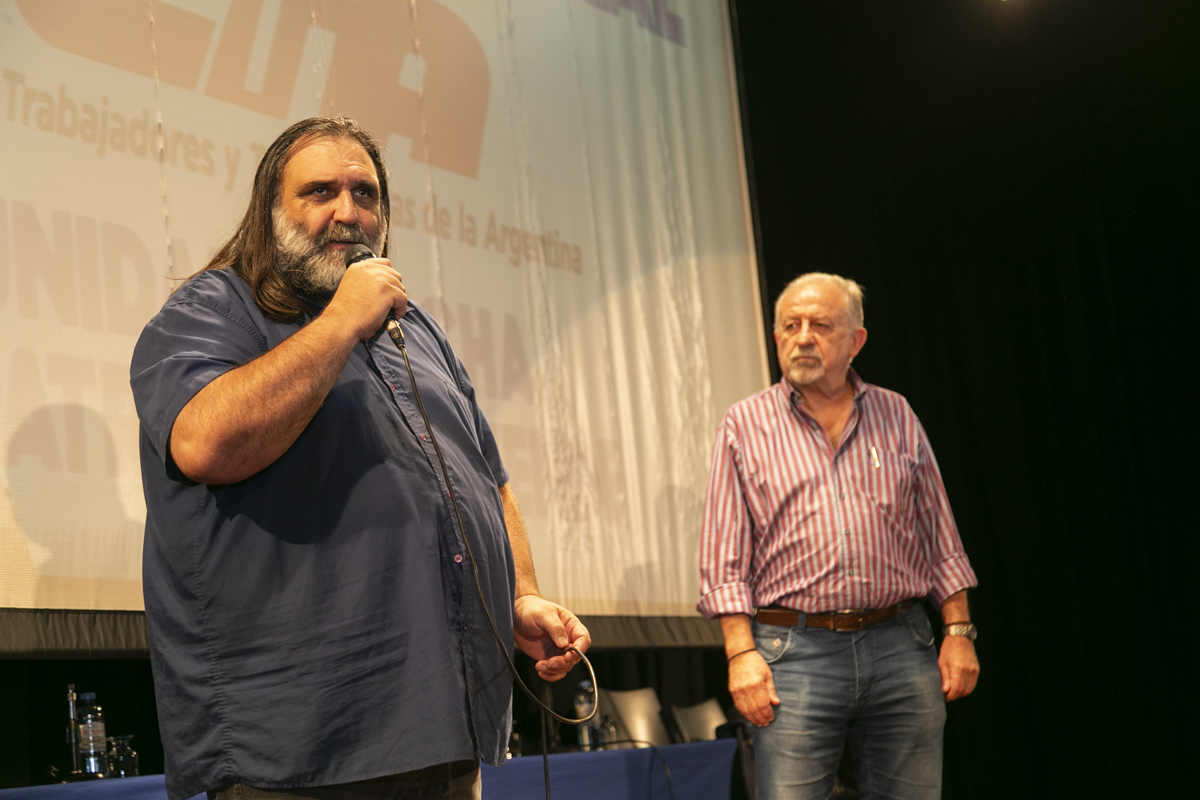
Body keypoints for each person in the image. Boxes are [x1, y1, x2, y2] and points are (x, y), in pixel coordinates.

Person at [130, 117, 590, 800]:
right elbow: (204, 444)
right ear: (270, 210)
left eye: (365, 193)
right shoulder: (215, 308)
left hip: (442, 729)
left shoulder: (415, 329)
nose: (348, 212)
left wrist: (520, 594)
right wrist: (341, 320)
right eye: (319, 191)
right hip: (304, 744)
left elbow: (487, 478)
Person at [697, 273, 979, 800]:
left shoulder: (896, 414)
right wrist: (740, 655)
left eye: (821, 325)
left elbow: (940, 535)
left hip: (901, 645)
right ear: (776, 337)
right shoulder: (743, 425)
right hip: (793, 654)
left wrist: (959, 631)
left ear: (856, 340)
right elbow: (723, 559)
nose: (803, 337)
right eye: (791, 326)